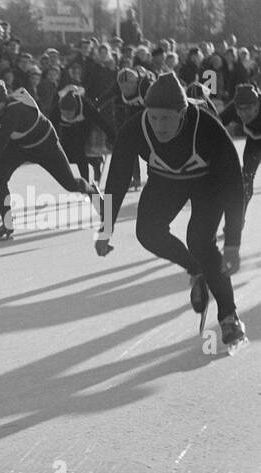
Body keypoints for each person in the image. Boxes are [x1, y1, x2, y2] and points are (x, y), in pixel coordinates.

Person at [98, 71, 245, 348]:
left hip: (208, 183)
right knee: (147, 232)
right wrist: (105, 228)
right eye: (153, 117)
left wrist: (233, 243)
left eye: (166, 118)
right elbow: (116, 179)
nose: (158, 125)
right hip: (165, 181)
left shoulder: (207, 128)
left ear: (183, 112)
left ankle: (229, 316)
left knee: (200, 241)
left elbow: (233, 185)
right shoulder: (135, 128)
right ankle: (196, 269)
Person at [0, 81, 99, 241]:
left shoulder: (14, 112)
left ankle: (92, 190)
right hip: (19, 145)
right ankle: (7, 223)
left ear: (3, 102)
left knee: (70, 184)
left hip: (45, 145)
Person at [218, 81, 261, 233]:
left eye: (249, 109)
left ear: (257, 105)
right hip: (255, 142)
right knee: (246, 179)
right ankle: (237, 219)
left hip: (256, 135)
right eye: (240, 110)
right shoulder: (233, 109)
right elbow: (214, 124)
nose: (244, 114)